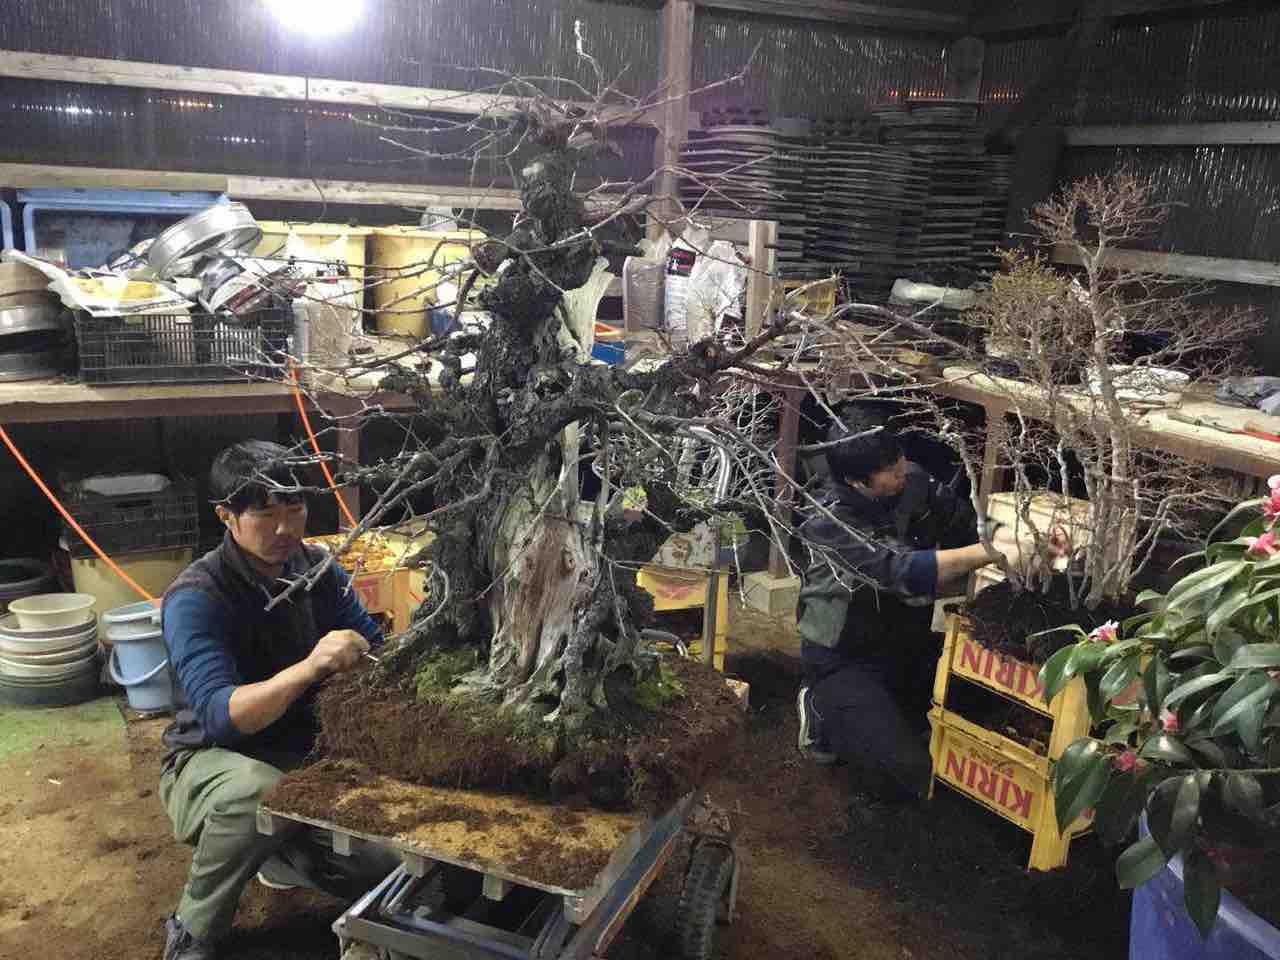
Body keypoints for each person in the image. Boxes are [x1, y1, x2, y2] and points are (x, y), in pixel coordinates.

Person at [158, 441, 398, 960]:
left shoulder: (316, 569)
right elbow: (224, 719)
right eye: (266, 514)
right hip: (210, 762)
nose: (286, 528)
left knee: (384, 864)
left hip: (303, 759)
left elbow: (376, 651)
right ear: (227, 516)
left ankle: (275, 853)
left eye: (296, 510)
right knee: (255, 792)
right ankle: (193, 932)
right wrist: (312, 665)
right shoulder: (198, 597)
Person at [794, 407, 1050, 805]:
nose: (902, 474)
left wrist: (1022, 537)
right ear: (856, 481)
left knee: (983, 700)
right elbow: (903, 569)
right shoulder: (827, 518)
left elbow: (965, 521)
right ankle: (819, 706)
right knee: (906, 773)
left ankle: (896, 704)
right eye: (890, 472)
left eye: (900, 462)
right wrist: (992, 552)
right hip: (843, 654)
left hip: (903, 640)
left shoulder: (912, 481)